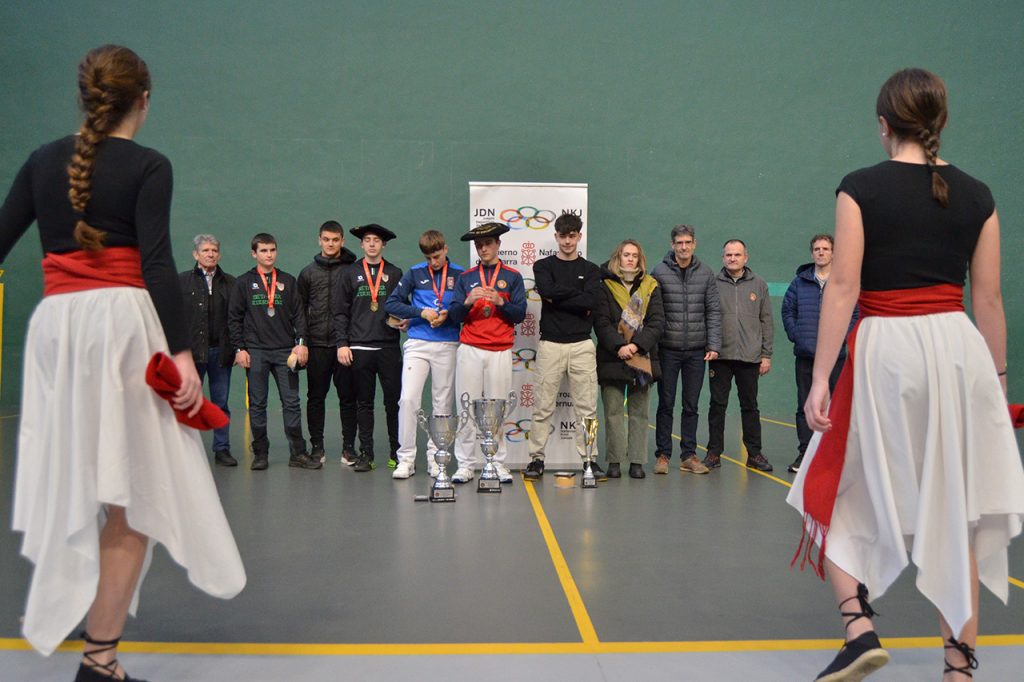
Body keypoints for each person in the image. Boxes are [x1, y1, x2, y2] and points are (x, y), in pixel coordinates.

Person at [0, 45, 245, 680]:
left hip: (57, 330)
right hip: (124, 330)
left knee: (80, 474)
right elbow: (157, 263)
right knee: (134, 489)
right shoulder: (149, 165)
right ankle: (100, 656)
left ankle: (87, 610)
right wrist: (184, 354)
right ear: (145, 99)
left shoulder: (39, 161)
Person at [787, 68, 1024, 681]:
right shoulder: (977, 194)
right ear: (940, 123)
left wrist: (819, 379)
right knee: (959, 506)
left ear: (884, 126)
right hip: (957, 352)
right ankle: (960, 665)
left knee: (826, 487)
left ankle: (858, 625)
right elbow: (989, 301)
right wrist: (996, 384)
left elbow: (842, 287)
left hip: (886, 351)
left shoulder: (860, 188)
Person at [523, 214, 603, 481]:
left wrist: (558, 295)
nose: (567, 241)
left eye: (572, 235)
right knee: (542, 406)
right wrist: (578, 296)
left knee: (588, 409)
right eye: (563, 235)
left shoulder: (592, 270)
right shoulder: (543, 266)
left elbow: (592, 300)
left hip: (582, 344)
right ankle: (536, 459)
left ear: (579, 236)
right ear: (556, 236)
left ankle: (590, 460)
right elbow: (548, 289)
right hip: (550, 345)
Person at [447, 222, 527, 484]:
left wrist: (502, 302)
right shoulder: (466, 278)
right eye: (479, 245)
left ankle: (497, 462)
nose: (483, 249)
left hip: (500, 350)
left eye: (488, 244)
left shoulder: (513, 277)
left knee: (498, 409)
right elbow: (455, 316)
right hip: (470, 348)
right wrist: (468, 301)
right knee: (466, 407)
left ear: (498, 245)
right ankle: (465, 464)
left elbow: (520, 315)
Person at [229, 233, 315, 470]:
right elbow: (234, 318)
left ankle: (298, 453)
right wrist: (240, 349)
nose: (268, 255)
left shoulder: (288, 281)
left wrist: (301, 342)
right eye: (263, 251)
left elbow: (299, 314)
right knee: (257, 404)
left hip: (285, 353)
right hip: (255, 352)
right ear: (254, 254)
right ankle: (260, 454)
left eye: (272, 250)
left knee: (291, 403)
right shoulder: (243, 283)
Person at [385, 230, 464, 479]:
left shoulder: (459, 274)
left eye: (437, 256)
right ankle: (406, 459)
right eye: (429, 258)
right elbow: (392, 303)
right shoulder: (415, 272)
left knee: (442, 403)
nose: (434, 262)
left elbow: (462, 308)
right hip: (418, 343)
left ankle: (436, 458)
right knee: (408, 400)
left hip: (448, 344)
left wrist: (447, 315)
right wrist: (421, 312)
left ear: (446, 249)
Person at [780, 234, 856, 473]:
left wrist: (842, 338)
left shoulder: (843, 283)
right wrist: (797, 336)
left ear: (833, 253)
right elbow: (787, 311)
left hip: (836, 358)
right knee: (805, 405)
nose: (821, 252)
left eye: (825, 248)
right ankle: (805, 454)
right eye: (817, 249)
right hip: (806, 356)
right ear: (812, 253)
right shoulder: (799, 283)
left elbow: (855, 313)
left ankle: (832, 455)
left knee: (834, 407)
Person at [333, 223, 404, 472]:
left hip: (388, 347)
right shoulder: (349, 273)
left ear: (383, 245)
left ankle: (398, 452)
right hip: (359, 347)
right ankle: (366, 454)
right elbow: (340, 312)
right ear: (361, 245)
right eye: (367, 240)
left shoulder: (395, 273)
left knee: (393, 402)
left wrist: (406, 322)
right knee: (364, 402)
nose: (372, 243)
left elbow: (404, 307)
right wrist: (342, 344)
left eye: (376, 240)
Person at [651, 224, 721, 475]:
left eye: (688, 242)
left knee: (691, 405)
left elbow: (713, 311)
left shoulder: (706, 273)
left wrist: (713, 344)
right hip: (667, 349)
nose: (683, 247)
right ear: (673, 245)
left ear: (694, 244)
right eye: (679, 243)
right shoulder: (658, 271)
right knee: (665, 403)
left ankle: (688, 455)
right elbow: (652, 312)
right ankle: (662, 454)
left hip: (696, 351)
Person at [593, 239, 664, 479]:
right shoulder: (604, 286)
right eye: (626, 254)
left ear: (640, 259)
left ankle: (637, 461)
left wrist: (635, 345)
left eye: (635, 255)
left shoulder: (651, 286)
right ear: (618, 257)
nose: (630, 259)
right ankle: (614, 461)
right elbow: (601, 323)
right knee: (612, 412)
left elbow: (657, 323)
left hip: (641, 356)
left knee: (639, 412)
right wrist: (619, 346)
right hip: (612, 356)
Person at [704, 239, 774, 472]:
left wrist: (766, 354)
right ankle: (714, 453)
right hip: (720, 356)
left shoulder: (759, 284)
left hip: (750, 357)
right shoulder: (712, 283)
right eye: (728, 255)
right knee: (717, 405)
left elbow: (767, 321)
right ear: (723, 258)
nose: (733, 258)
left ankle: (754, 454)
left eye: (737, 255)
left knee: (750, 406)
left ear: (746, 257)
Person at [297, 220, 358, 464]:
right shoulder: (308, 273)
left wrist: (349, 341)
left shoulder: (353, 270)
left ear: (342, 241)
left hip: (345, 346)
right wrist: (302, 341)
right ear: (319, 240)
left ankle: (349, 448)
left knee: (348, 398)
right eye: (326, 239)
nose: (330, 244)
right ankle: (317, 447)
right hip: (316, 346)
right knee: (315, 397)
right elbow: (300, 311)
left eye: (335, 240)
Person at [179, 234, 236, 466]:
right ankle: (185, 451)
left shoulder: (230, 283)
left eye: (214, 250)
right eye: (205, 250)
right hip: (192, 353)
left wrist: (235, 348)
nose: (210, 254)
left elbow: (235, 319)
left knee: (220, 403)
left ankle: (222, 449)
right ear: (196, 254)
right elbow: (173, 316)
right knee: (188, 402)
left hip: (220, 353)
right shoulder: (182, 281)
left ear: (219, 254)